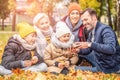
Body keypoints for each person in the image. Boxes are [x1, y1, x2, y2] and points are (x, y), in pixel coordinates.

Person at [74, 8, 120, 73]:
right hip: (99, 59)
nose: (84, 23)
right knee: (79, 55)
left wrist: (90, 44)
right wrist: (78, 50)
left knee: (75, 69)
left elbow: (111, 49)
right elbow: (88, 50)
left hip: (109, 67)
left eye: (86, 19)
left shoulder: (105, 30)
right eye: (82, 21)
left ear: (94, 18)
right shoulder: (91, 31)